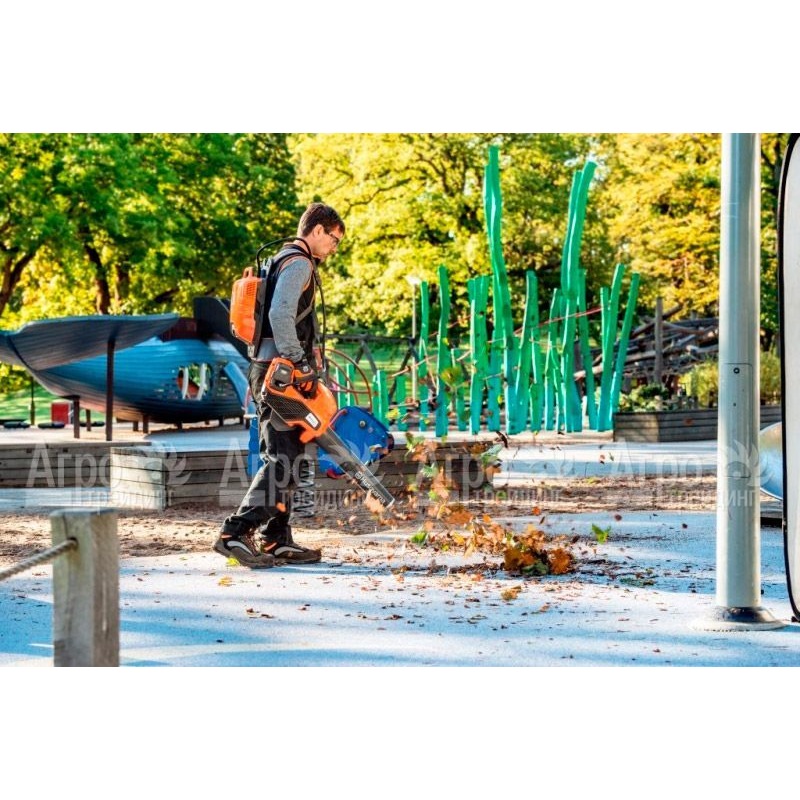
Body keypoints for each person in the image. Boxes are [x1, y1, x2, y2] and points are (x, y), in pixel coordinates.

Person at [214, 202, 345, 568]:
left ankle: (276, 538)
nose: (334, 248)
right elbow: (278, 315)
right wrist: (299, 363)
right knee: (283, 459)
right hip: (281, 375)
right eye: (334, 239)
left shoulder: (279, 260)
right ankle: (235, 533)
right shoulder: (300, 263)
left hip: (269, 369)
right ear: (316, 230)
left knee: (288, 453)